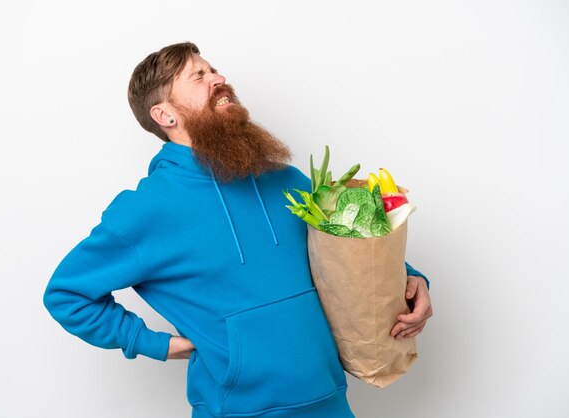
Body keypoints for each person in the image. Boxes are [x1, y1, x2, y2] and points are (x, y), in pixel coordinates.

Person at [43, 41, 432, 418]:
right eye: (198, 76)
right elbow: (66, 294)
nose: (218, 78)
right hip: (238, 410)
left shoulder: (284, 178)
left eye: (212, 69)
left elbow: (345, 249)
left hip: (329, 399)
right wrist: (155, 344)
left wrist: (412, 280)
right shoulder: (147, 209)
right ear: (165, 115)